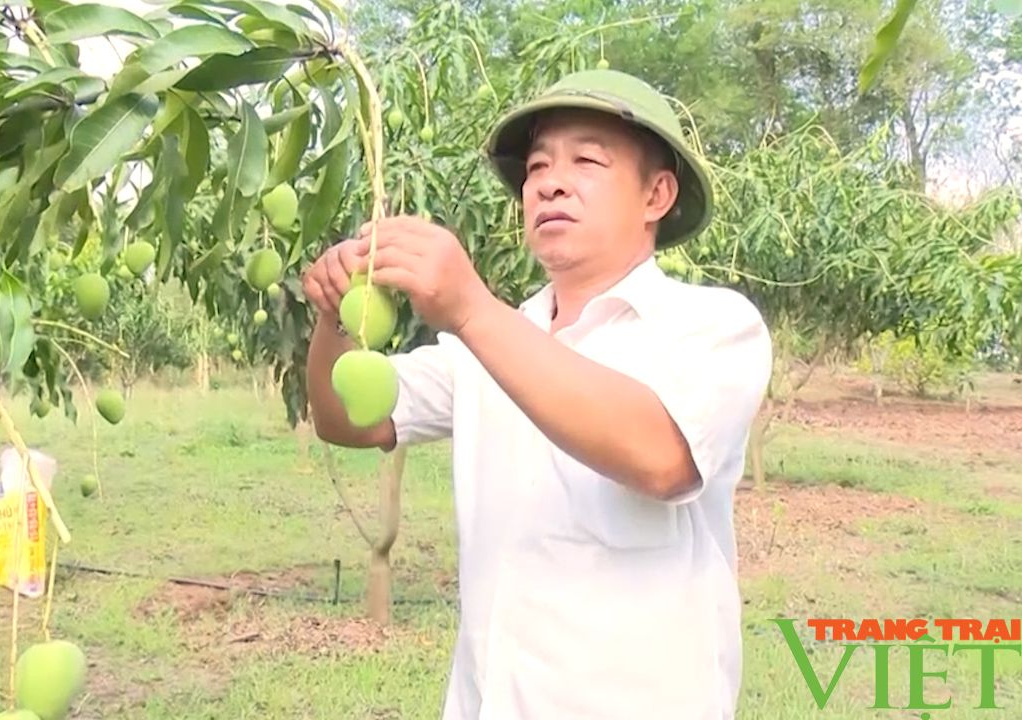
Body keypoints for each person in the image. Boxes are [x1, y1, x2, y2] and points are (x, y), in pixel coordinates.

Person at [302, 68, 772, 720]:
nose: (549, 181)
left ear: (656, 195)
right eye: (536, 167)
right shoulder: (491, 344)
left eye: (586, 160)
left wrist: (469, 308)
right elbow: (347, 421)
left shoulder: (713, 326)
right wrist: (332, 316)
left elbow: (660, 456)